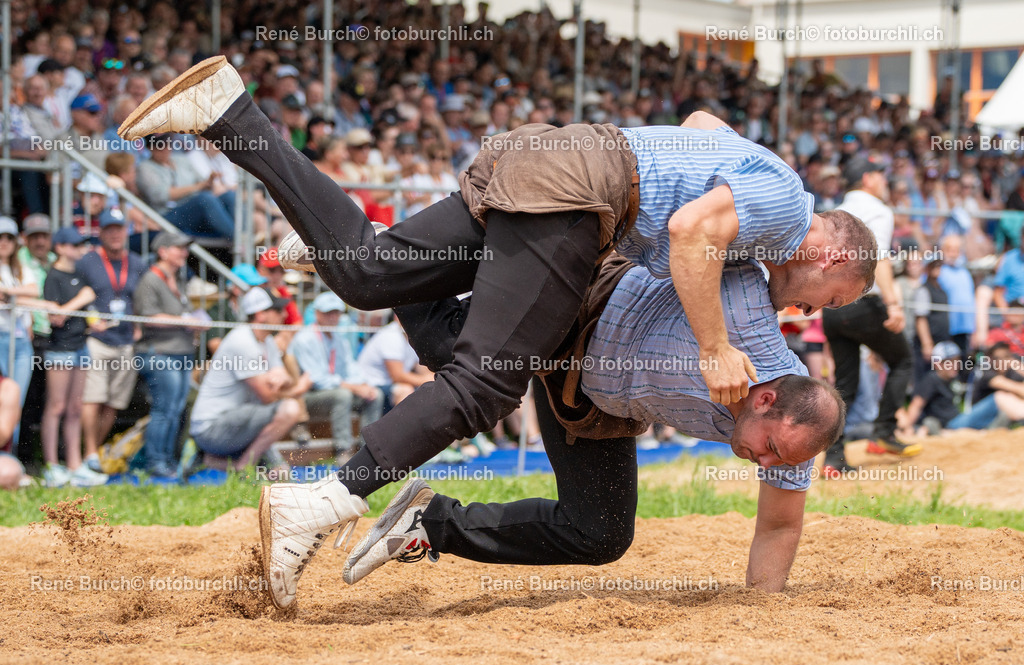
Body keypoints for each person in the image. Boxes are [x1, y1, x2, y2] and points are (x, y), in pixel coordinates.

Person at [119, 58, 873, 606]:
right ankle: (318, 503)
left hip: (588, 374)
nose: (808, 312)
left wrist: (765, 617)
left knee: (371, 278)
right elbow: (690, 224)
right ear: (767, 394)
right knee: (479, 380)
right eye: (825, 296)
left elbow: (705, 125)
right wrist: (715, 344)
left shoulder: (784, 373)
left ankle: (234, 117)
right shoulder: (755, 267)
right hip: (582, 227)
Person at [339, 259, 845, 598]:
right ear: (766, 397)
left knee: (601, 533)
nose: (767, 464)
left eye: (784, 461)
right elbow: (710, 217)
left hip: (589, 399)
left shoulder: (794, 440)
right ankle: (397, 258)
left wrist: (759, 612)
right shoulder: (747, 317)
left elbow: (780, 525)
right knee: (453, 356)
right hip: (586, 306)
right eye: (772, 449)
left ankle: (432, 523)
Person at [823, 157, 919, 471]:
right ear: (868, 178)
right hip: (864, 304)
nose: (884, 180)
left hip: (831, 306)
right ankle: (883, 434)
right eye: (881, 174)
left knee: (845, 383)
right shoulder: (878, 210)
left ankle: (834, 459)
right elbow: (880, 259)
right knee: (903, 360)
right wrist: (893, 304)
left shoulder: (836, 211)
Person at [190, 287, 309, 471]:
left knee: (281, 473)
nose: (284, 314)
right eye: (277, 310)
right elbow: (268, 396)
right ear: (261, 315)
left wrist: (283, 380)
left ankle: (208, 460)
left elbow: (283, 379)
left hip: (239, 422)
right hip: (211, 429)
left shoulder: (265, 340)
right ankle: (243, 469)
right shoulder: (242, 342)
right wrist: (298, 388)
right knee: (290, 408)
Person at [75, 208, 147, 470]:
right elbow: (77, 295)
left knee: (114, 401)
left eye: (119, 229)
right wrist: (89, 321)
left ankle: (96, 453)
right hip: (97, 339)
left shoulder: (137, 263)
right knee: (93, 397)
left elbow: (139, 298)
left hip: (126, 339)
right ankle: (89, 453)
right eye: (110, 229)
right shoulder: (87, 262)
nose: (115, 234)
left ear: (125, 232)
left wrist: (138, 325)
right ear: (101, 233)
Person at [133, 231, 208, 478]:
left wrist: (191, 323)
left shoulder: (178, 279)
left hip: (179, 353)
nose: (184, 253)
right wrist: (185, 320)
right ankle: (156, 462)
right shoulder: (150, 280)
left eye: (185, 248)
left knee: (174, 410)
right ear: (163, 251)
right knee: (165, 410)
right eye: (178, 248)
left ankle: (168, 461)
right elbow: (148, 318)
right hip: (159, 353)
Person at [40, 227, 107, 487]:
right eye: (75, 244)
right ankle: (51, 466)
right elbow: (55, 318)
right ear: (60, 247)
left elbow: (83, 310)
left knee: (75, 408)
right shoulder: (53, 277)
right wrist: (81, 299)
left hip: (81, 345)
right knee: (56, 407)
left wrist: (94, 322)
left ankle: (74, 465)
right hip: (60, 349)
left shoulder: (78, 274)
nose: (80, 249)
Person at [288, 292, 383, 460]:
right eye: (328, 313)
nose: (333, 317)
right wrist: (355, 386)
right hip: (307, 398)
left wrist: (364, 385)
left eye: (336, 313)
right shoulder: (305, 338)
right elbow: (317, 380)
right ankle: (343, 450)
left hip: (331, 392)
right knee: (343, 395)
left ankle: (367, 449)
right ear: (317, 313)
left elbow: (351, 368)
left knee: (375, 394)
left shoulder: (339, 339)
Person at [16, 213, 55, 455]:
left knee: (44, 399)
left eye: (44, 236)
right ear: (25, 239)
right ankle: (22, 455)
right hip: (29, 337)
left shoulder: (54, 260)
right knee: (26, 399)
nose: (40, 241)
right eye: (34, 237)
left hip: (52, 337)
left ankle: (37, 456)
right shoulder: (17, 261)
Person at [0, 217, 39, 414]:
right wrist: (17, 294)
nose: (4, 242)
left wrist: (8, 295)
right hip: (1, 338)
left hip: (21, 339)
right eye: (0, 237)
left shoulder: (20, 268)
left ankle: (10, 446)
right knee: (3, 402)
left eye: (9, 237)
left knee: (16, 404)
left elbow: (33, 290)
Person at [357, 317, 432, 411]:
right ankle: (405, 425)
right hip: (372, 384)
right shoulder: (391, 335)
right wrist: (427, 380)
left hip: (388, 385)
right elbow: (397, 376)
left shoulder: (411, 335)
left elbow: (422, 368)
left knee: (432, 389)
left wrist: (432, 379)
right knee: (405, 390)